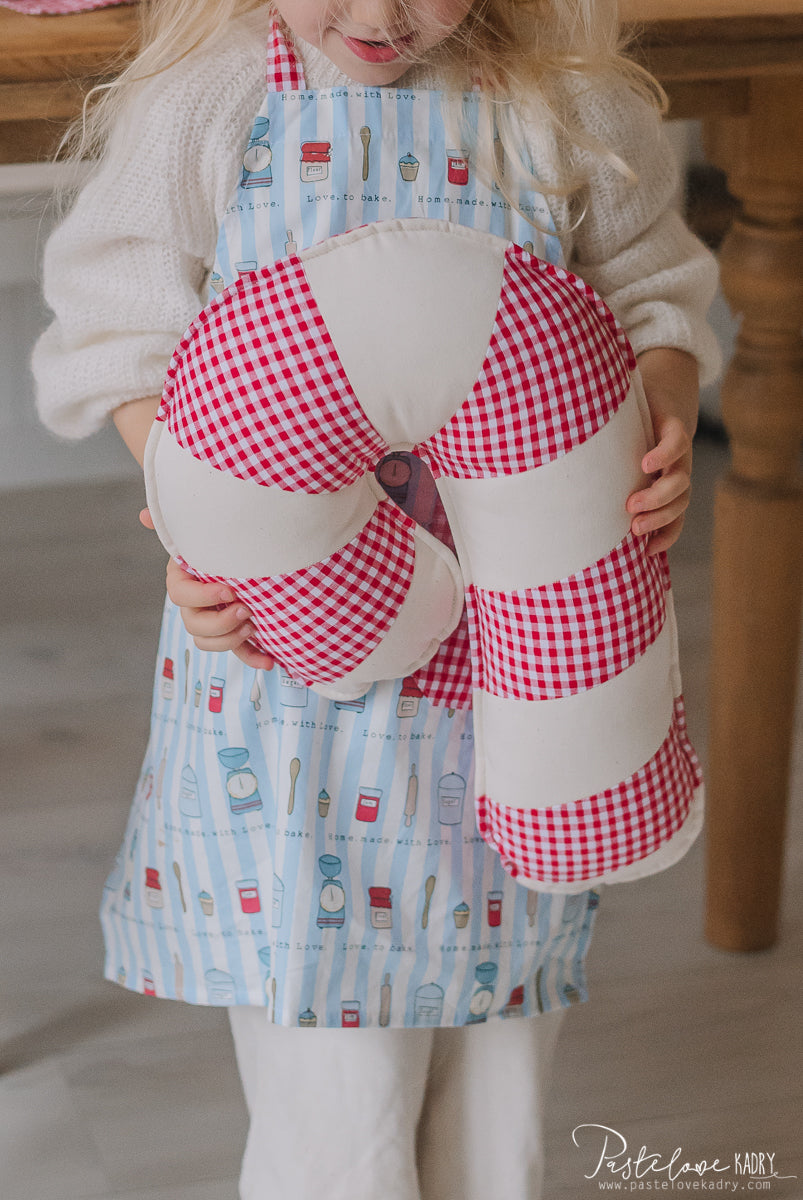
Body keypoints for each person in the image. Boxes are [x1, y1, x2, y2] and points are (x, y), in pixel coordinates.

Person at [32, 0, 720, 1194]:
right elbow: (119, 329)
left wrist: (658, 404)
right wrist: (201, 525)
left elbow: (651, 289)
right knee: (334, 1097)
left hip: (521, 665)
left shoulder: (562, 99)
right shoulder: (215, 99)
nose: (380, 14)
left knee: (500, 1062)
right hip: (289, 679)